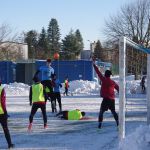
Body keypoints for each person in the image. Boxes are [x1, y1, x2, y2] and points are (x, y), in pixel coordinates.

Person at [92, 59, 119, 129]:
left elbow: (98, 72)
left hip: (106, 99)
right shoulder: (113, 82)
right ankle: (118, 123)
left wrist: (94, 65)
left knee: (101, 112)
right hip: (112, 100)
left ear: (105, 75)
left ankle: (99, 125)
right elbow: (118, 88)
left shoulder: (103, 79)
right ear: (110, 75)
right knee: (113, 112)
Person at [0, 81, 14, 149]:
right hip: (1, 113)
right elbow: (2, 101)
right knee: (5, 129)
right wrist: (5, 112)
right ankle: (10, 144)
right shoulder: (1, 89)